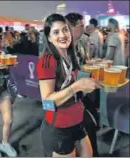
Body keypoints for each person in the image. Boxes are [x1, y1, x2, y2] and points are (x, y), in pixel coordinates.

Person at [37, 13, 102, 157]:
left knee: (89, 153)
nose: (62, 35)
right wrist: (76, 87)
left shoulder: (70, 54)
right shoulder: (47, 60)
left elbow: (70, 87)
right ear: (49, 38)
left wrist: (87, 87)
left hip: (77, 120)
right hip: (60, 126)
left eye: (65, 29)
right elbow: (47, 102)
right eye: (56, 32)